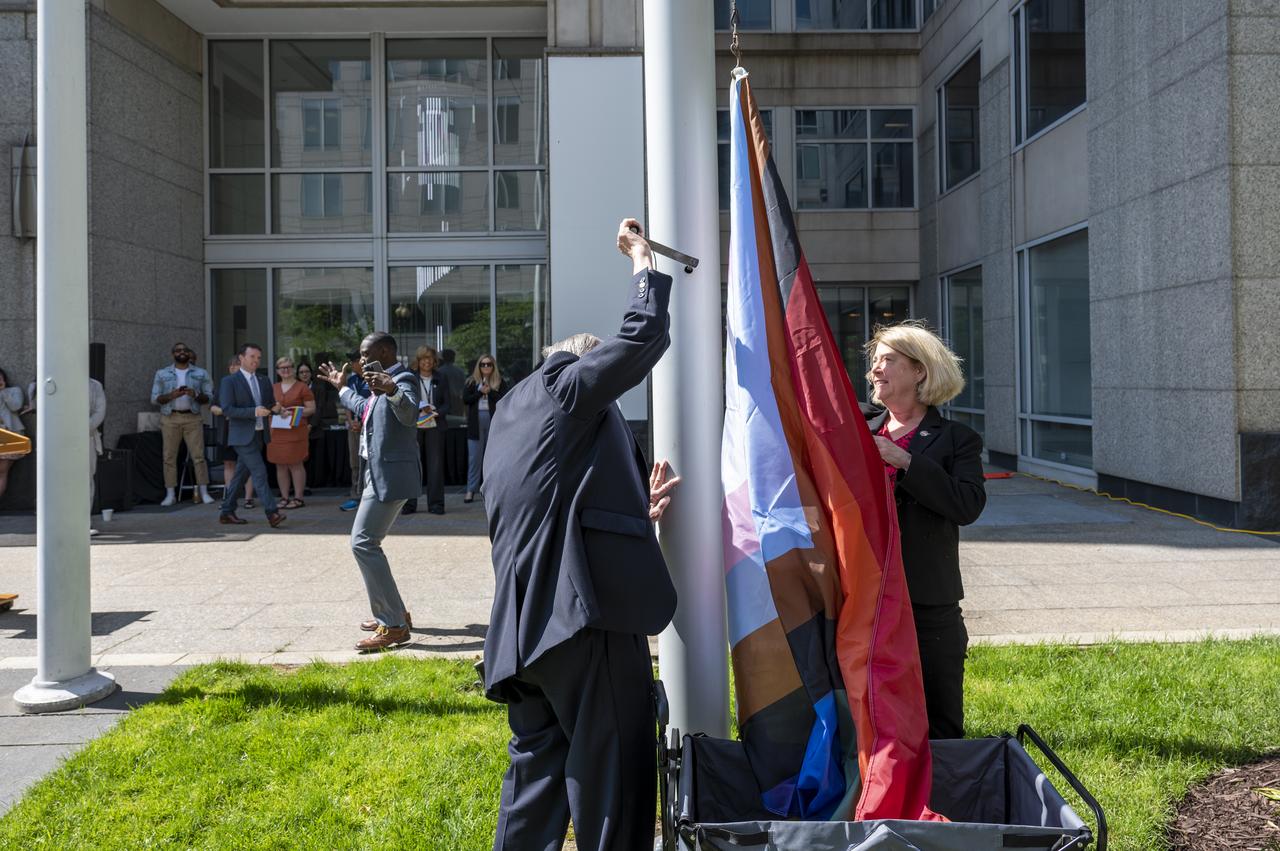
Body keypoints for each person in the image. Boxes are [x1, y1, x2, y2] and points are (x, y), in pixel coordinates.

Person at [482, 219, 681, 851]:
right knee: (614, 773)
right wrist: (643, 264)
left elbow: (549, 500)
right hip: (580, 624)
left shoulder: (514, 409)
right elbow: (641, 337)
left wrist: (632, 508)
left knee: (535, 777)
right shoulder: (568, 387)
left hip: (523, 635)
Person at [863, 320, 986, 740]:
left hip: (927, 603)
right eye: (875, 361)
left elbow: (967, 505)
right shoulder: (855, 426)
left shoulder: (958, 440)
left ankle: (945, 797)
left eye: (888, 360)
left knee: (939, 719)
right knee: (869, 714)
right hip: (863, 598)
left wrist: (906, 461)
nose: (876, 369)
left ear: (919, 371)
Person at [317, 332, 421, 652]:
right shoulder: (375, 383)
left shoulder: (403, 378)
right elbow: (364, 407)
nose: (361, 360)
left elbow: (410, 414)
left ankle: (393, 625)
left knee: (363, 542)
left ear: (386, 351)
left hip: (389, 475)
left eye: (367, 353)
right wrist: (342, 387)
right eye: (360, 354)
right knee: (367, 543)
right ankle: (395, 612)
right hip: (376, 475)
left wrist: (391, 389)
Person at [217, 343, 286, 528]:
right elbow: (227, 409)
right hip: (241, 436)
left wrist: (277, 409)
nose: (256, 361)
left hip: (259, 434)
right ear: (241, 358)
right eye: (252, 357)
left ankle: (226, 511)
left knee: (240, 475)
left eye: (258, 358)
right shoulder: (229, 381)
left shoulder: (264, 380)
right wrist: (253, 412)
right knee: (259, 472)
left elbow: (269, 405)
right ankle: (272, 513)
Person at [150, 342, 216, 506]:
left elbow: (209, 397)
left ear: (189, 353)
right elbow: (154, 398)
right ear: (173, 354)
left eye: (185, 350)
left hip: (192, 418)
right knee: (169, 457)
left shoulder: (201, 373)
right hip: (170, 418)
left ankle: (204, 492)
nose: (181, 352)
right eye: (178, 350)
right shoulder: (162, 373)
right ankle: (170, 494)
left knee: (198, 457)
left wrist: (196, 394)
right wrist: (172, 396)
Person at [402, 345, 450, 516]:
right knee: (413, 465)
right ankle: (409, 504)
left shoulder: (441, 378)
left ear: (434, 360)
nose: (427, 362)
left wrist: (436, 411)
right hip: (414, 426)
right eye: (423, 358)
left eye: (430, 358)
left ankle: (436, 504)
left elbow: (447, 404)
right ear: (418, 361)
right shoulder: (411, 378)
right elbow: (405, 401)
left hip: (435, 426)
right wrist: (419, 408)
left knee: (435, 466)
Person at [266, 356, 315, 509]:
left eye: (288, 367)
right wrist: (276, 410)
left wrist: (294, 413)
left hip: (296, 431)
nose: (285, 370)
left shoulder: (302, 387)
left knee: (295, 463)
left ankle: (298, 498)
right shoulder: (272, 388)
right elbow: (266, 408)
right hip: (277, 432)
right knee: (280, 465)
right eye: (282, 368)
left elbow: (311, 409)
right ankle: (285, 497)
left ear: (293, 369)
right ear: (277, 371)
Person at [462, 353, 507, 503]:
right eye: (483, 364)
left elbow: (504, 400)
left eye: (489, 364)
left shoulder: (500, 381)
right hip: (476, 423)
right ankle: (470, 490)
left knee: (494, 458)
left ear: (493, 366)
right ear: (479, 366)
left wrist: (491, 392)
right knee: (474, 458)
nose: (486, 367)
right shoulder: (471, 382)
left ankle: (493, 490)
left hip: (494, 422)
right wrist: (479, 392)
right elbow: (466, 399)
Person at [211, 355, 255, 509]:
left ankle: (248, 498)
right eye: (230, 365)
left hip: (244, 431)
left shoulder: (250, 384)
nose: (232, 368)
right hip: (226, 431)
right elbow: (213, 407)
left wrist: (236, 413)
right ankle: (230, 498)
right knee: (229, 464)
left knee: (247, 464)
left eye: (236, 364)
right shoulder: (223, 385)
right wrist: (225, 411)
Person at [338, 357, 371, 513]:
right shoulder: (351, 380)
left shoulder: (373, 378)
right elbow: (346, 402)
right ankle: (355, 496)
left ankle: (370, 497)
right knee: (355, 462)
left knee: (370, 462)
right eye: (351, 362)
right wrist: (351, 421)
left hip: (370, 426)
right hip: (354, 427)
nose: (352, 364)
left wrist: (364, 423)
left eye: (355, 361)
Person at [0, 367, 26, 504]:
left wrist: (3, 392)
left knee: (2, 471)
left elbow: (16, 406)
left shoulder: (13, 391)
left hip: (10, 435)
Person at [88, 375, 106, 537]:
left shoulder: (94, 385)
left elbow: (99, 411)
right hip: (60, 439)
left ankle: (84, 521)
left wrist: (83, 427)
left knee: (86, 479)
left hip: (87, 437)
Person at [437, 348, 466, 424]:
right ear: (453, 358)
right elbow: (463, 388)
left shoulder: (439, 372)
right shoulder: (460, 372)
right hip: (457, 401)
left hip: (443, 402)